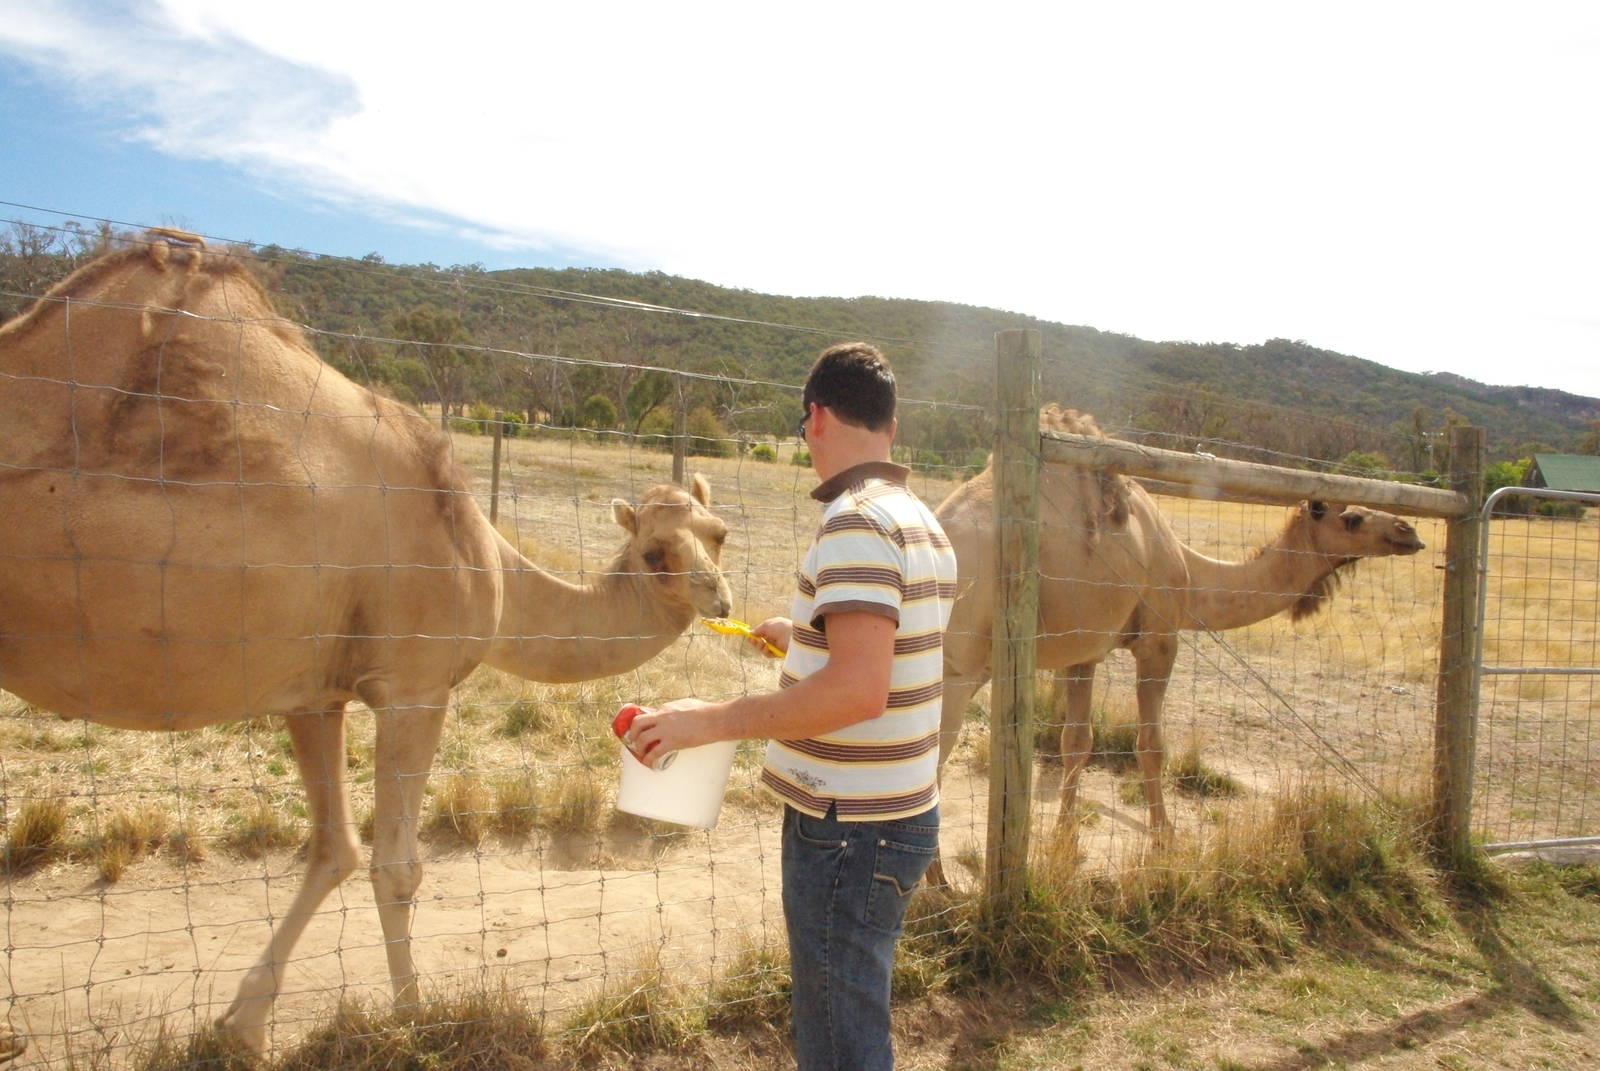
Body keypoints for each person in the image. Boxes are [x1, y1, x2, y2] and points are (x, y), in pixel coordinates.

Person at [630, 341, 956, 1070]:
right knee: (852, 1011)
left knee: (840, 1038)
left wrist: (704, 721)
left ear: (814, 418)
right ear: (890, 427)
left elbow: (858, 691)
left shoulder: (855, 521)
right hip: (899, 814)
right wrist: (804, 639)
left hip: (847, 830)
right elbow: (889, 660)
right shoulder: (918, 519)